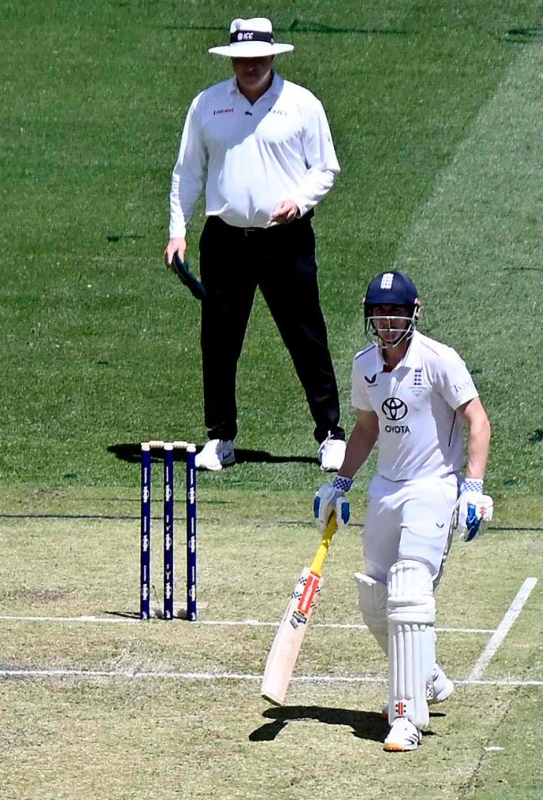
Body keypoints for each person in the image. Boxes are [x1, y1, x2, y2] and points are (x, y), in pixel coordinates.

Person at [314, 271, 494, 753]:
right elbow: (367, 428)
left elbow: (477, 420)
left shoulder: (439, 360)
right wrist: (341, 482)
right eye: (379, 312)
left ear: (414, 311)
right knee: (375, 596)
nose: (387, 321)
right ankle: (427, 674)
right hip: (386, 490)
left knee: (410, 590)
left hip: (434, 488)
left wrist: (473, 489)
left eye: (395, 312)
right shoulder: (365, 366)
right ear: (369, 315)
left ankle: (407, 719)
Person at [166, 18, 346, 474]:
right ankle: (221, 438)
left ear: (273, 57)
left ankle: (330, 434)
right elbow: (187, 173)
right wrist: (177, 231)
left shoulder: (302, 104)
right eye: (243, 59)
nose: (251, 66)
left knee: (305, 335)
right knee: (219, 342)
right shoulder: (207, 105)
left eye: (259, 58)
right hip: (225, 239)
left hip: (286, 237)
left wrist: (299, 202)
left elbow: (324, 169)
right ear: (233, 60)